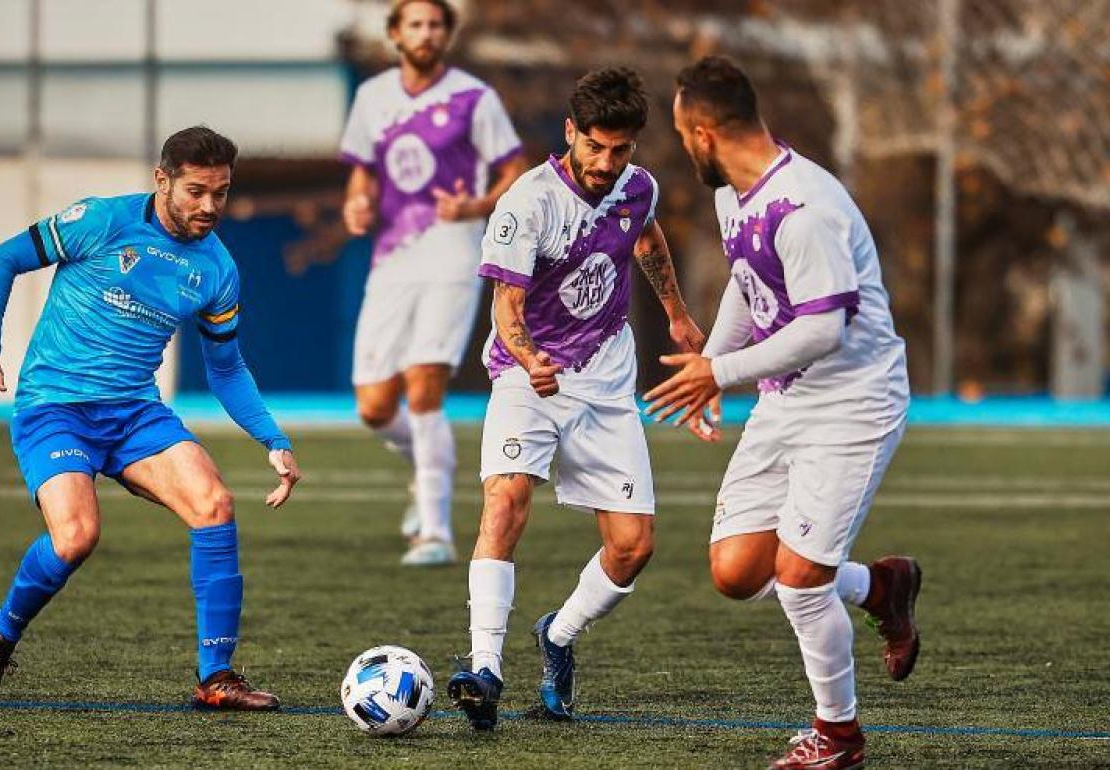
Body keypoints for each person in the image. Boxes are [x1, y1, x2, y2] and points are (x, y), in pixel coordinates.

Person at [0, 126, 300, 710]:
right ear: (162, 180)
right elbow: (3, 259)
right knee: (76, 537)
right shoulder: (101, 220)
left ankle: (216, 678)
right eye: (196, 191)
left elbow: (226, 367)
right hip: (55, 408)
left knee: (214, 503)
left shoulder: (217, 269)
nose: (210, 206)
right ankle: (0, 632)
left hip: (135, 413)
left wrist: (273, 438)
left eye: (221, 193)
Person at [646, 57, 921, 769]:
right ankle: (882, 586)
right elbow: (747, 279)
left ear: (704, 133)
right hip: (786, 397)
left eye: (681, 134)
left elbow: (822, 329)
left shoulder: (804, 208)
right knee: (737, 572)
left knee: (800, 581)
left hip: (854, 403)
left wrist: (722, 371)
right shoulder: (733, 194)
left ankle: (839, 738)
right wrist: (714, 369)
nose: (682, 146)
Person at [446, 67, 705, 730]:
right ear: (570, 133)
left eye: (619, 150)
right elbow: (505, 305)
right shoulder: (526, 203)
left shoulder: (636, 187)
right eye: (594, 147)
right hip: (525, 378)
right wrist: (530, 357)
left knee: (633, 546)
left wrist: (676, 312)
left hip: (606, 379)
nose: (605, 162)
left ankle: (557, 635)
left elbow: (646, 236)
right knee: (505, 500)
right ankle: (485, 668)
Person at [338, 0, 526, 566]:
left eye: (436, 24)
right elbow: (362, 173)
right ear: (396, 34)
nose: (426, 33)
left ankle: (437, 533)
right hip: (393, 260)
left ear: (447, 35)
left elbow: (513, 169)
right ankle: (425, 471)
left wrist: (476, 205)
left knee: (424, 387)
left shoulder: (474, 97)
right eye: (415, 24)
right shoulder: (373, 98)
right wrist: (355, 203)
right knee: (373, 404)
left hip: (451, 256)